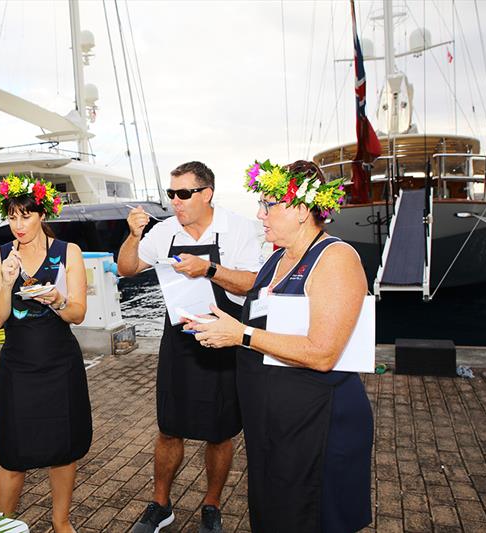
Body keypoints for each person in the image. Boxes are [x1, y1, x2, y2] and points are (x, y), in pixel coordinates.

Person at [187, 160, 373, 532]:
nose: (260, 214)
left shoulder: (335, 259)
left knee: (312, 517)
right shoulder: (276, 258)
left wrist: (241, 335)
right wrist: (220, 325)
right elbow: (258, 313)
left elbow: (323, 353)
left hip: (317, 422)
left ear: (303, 210)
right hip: (273, 423)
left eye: (269, 204)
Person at [117, 161, 261, 533]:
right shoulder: (164, 231)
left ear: (207, 193)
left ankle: (211, 504)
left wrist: (209, 269)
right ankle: (160, 504)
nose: (176, 202)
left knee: (220, 431)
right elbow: (127, 269)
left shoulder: (238, 228)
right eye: (171, 194)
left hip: (224, 339)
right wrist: (133, 235)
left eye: (184, 194)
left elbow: (250, 283)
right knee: (169, 427)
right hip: (178, 341)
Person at [0, 173, 91, 533]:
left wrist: (58, 300)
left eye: (26, 216)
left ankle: (61, 521)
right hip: (19, 365)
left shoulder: (68, 252)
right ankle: (1, 525)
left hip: (60, 363)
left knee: (63, 448)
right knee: (13, 454)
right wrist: (6, 280)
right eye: (12, 216)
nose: (19, 225)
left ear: (42, 214)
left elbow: (78, 314)